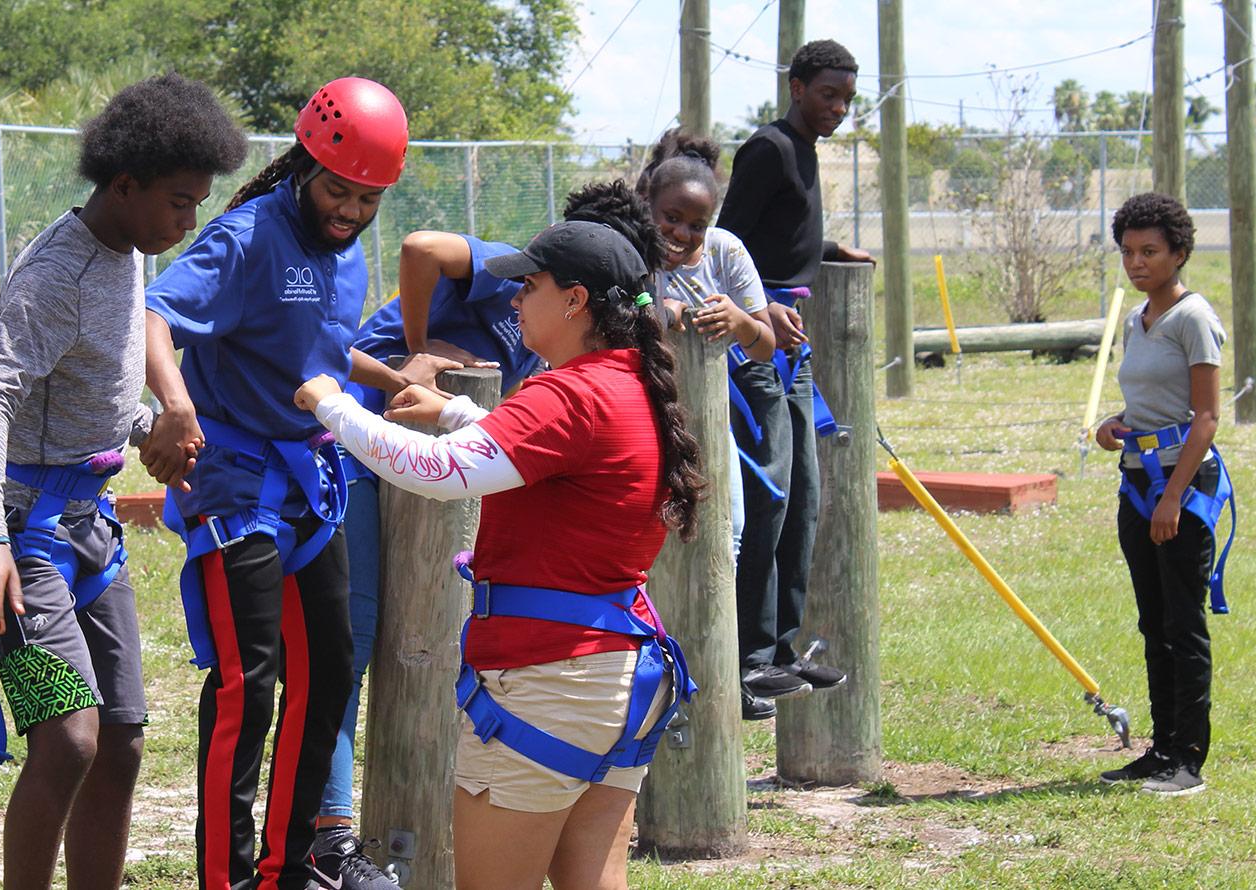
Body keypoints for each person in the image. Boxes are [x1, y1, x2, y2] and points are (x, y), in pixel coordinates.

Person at [295, 217, 705, 890]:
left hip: (549, 684)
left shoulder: (567, 392)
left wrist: (334, 407)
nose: (513, 301)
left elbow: (437, 472)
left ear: (575, 300)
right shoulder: (629, 384)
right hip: (617, 683)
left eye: (529, 285)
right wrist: (457, 412)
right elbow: (554, 458)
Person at [0, 75, 248, 889]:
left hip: (92, 534)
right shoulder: (59, 274)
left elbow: (88, 387)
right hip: (24, 542)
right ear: (125, 186)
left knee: (120, 739)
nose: (189, 222)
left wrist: (148, 428)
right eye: (180, 203)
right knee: (67, 739)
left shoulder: (126, 253)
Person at [141, 76, 410, 890]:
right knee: (244, 687)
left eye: (368, 198)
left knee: (328, 675)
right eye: (338, 190)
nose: (351, 211)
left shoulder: (349, 253)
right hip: (234, 484)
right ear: (304, 164)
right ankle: (224, 880)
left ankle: (286, 871)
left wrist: (395, 382)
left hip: (308, 489)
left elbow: (316, 351)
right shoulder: (247, 237)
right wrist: (176, 405)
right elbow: (153, 315)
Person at [715, 38, 870, 711]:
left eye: (846, 99)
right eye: (827, 94)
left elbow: (782, 234)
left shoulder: (803, 152)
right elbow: (726, 242)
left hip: (794, 349)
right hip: (757, 348)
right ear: (797, 86)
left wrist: (830, 249)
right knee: (768, 498)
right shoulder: (770, 148)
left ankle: (782, 649)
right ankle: (748, 658)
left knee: (803, 499)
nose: (837, 108)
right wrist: (761, 307)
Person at [1094, 192, 1231, 797]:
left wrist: (1174, 498)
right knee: (1154, 624)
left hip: (1183, 487)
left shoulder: (1193, 318)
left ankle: (1189, 761)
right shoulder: (1137, 320)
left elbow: (1205, 418)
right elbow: (1148, 402)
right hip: (1137, 483)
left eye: (1150, 251)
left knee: (1184, 623)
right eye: (1128, 251)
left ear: (1179, 252)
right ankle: (1161, 749)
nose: (1137, 262)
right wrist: (1112, 424)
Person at [635, 128, 778, 643]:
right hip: (642, 419)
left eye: (696, 224)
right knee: (649, 542)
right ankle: (651, 652)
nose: (681, 233)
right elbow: (613, 305)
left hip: (710, 423)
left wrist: (738, 319)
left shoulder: (725, 254)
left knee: (727, 533)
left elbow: (765, 344)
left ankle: (710, 652)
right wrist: (654, 307)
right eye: (671, 218)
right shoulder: (630, 250)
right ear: (646, 205)